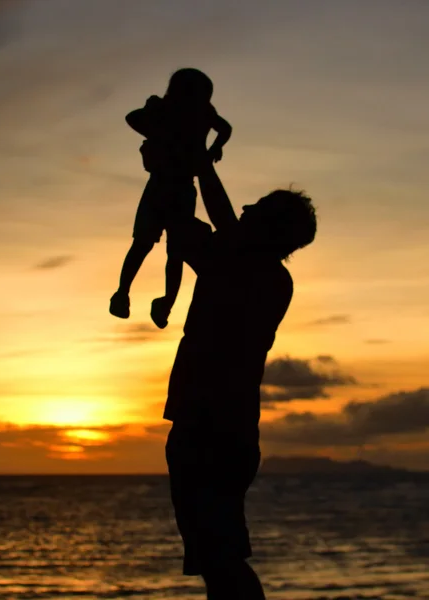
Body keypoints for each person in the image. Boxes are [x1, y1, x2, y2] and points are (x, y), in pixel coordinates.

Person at [163, 153, 317, 599]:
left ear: (268, 230)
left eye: (257, 208)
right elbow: (211, 223)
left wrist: (194, 164)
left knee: (220, 560)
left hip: (212, 432)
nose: (245, 210)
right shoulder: (258, 272)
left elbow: (209, 222)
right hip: (220, 431)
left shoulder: (245, 269)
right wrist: (194, 167)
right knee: (217, 560)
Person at [109, 68, 232, 329]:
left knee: (174, 251)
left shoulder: (198, 113)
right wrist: (158, 132)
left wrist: (213, 149)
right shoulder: (165, 109)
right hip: (162, 186)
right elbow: (133, 118)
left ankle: (163, 302)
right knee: (146, 244)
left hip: (179, 189)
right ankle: (124, 293)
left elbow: (225, 129)